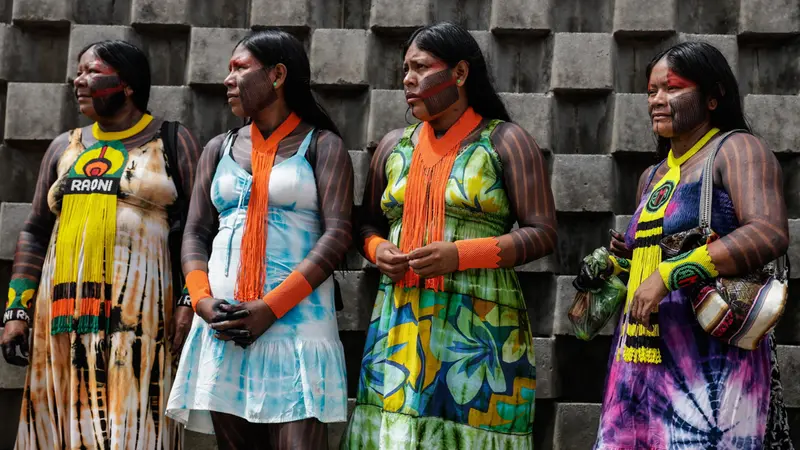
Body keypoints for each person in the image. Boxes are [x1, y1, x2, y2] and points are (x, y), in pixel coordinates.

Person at [339, 21, 557, 450]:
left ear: (459, 73)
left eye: (420, 67)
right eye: (405, 69)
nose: (407, 79)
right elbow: (364, 223)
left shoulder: (507, 142)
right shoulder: (391, 146)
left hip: (481, 328)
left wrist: (461, 254)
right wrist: (377, 248)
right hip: (400, 319)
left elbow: (543, 233)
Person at [0, 40, 201, 449]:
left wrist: (188, 301)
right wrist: (15, 310)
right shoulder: (63, 146)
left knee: (133, 427)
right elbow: (35, 231)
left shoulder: (172, 141)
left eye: (92, 72)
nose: (79, 81)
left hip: (139, 320)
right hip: (60, 317)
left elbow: (198, 229)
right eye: (79, 71)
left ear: (127, 85)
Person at [595, 41, 793, 449]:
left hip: (707, 366)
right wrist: (617, 266)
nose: (657, 100)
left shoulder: (737, 150)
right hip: (636, 359)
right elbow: (648, 268)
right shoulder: (651, 176)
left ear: (713, 97)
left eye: (672, 88)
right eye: (651, 92)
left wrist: (670, 274)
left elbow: (769, 232)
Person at [165, 29, 353, 450]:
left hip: (296, 330)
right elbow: (195, 231)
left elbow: (339, 234)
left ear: (277, 75)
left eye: (239, 68)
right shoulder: (218, 147)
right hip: (224, 324)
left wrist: (271, 308)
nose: (228, 79)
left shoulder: (321, 145)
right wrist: (202, 302)